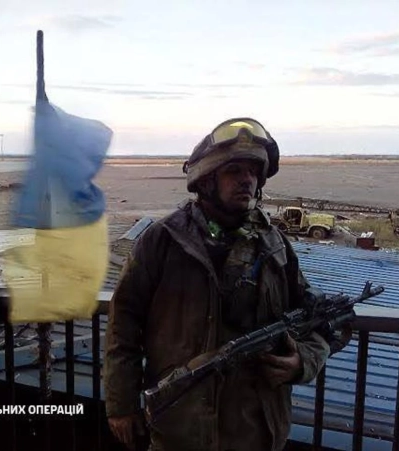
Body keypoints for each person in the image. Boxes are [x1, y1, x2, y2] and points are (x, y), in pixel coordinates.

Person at [103, 118, 334, 451]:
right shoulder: (162, 241)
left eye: (253, 172)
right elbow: (123, 323)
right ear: (207, 179)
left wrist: (304, 361)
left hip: (256, 432)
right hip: (179, 430)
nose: (247, 179)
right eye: (234, 171)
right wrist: (121, 404)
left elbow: (318, 318)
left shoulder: (275, 246)